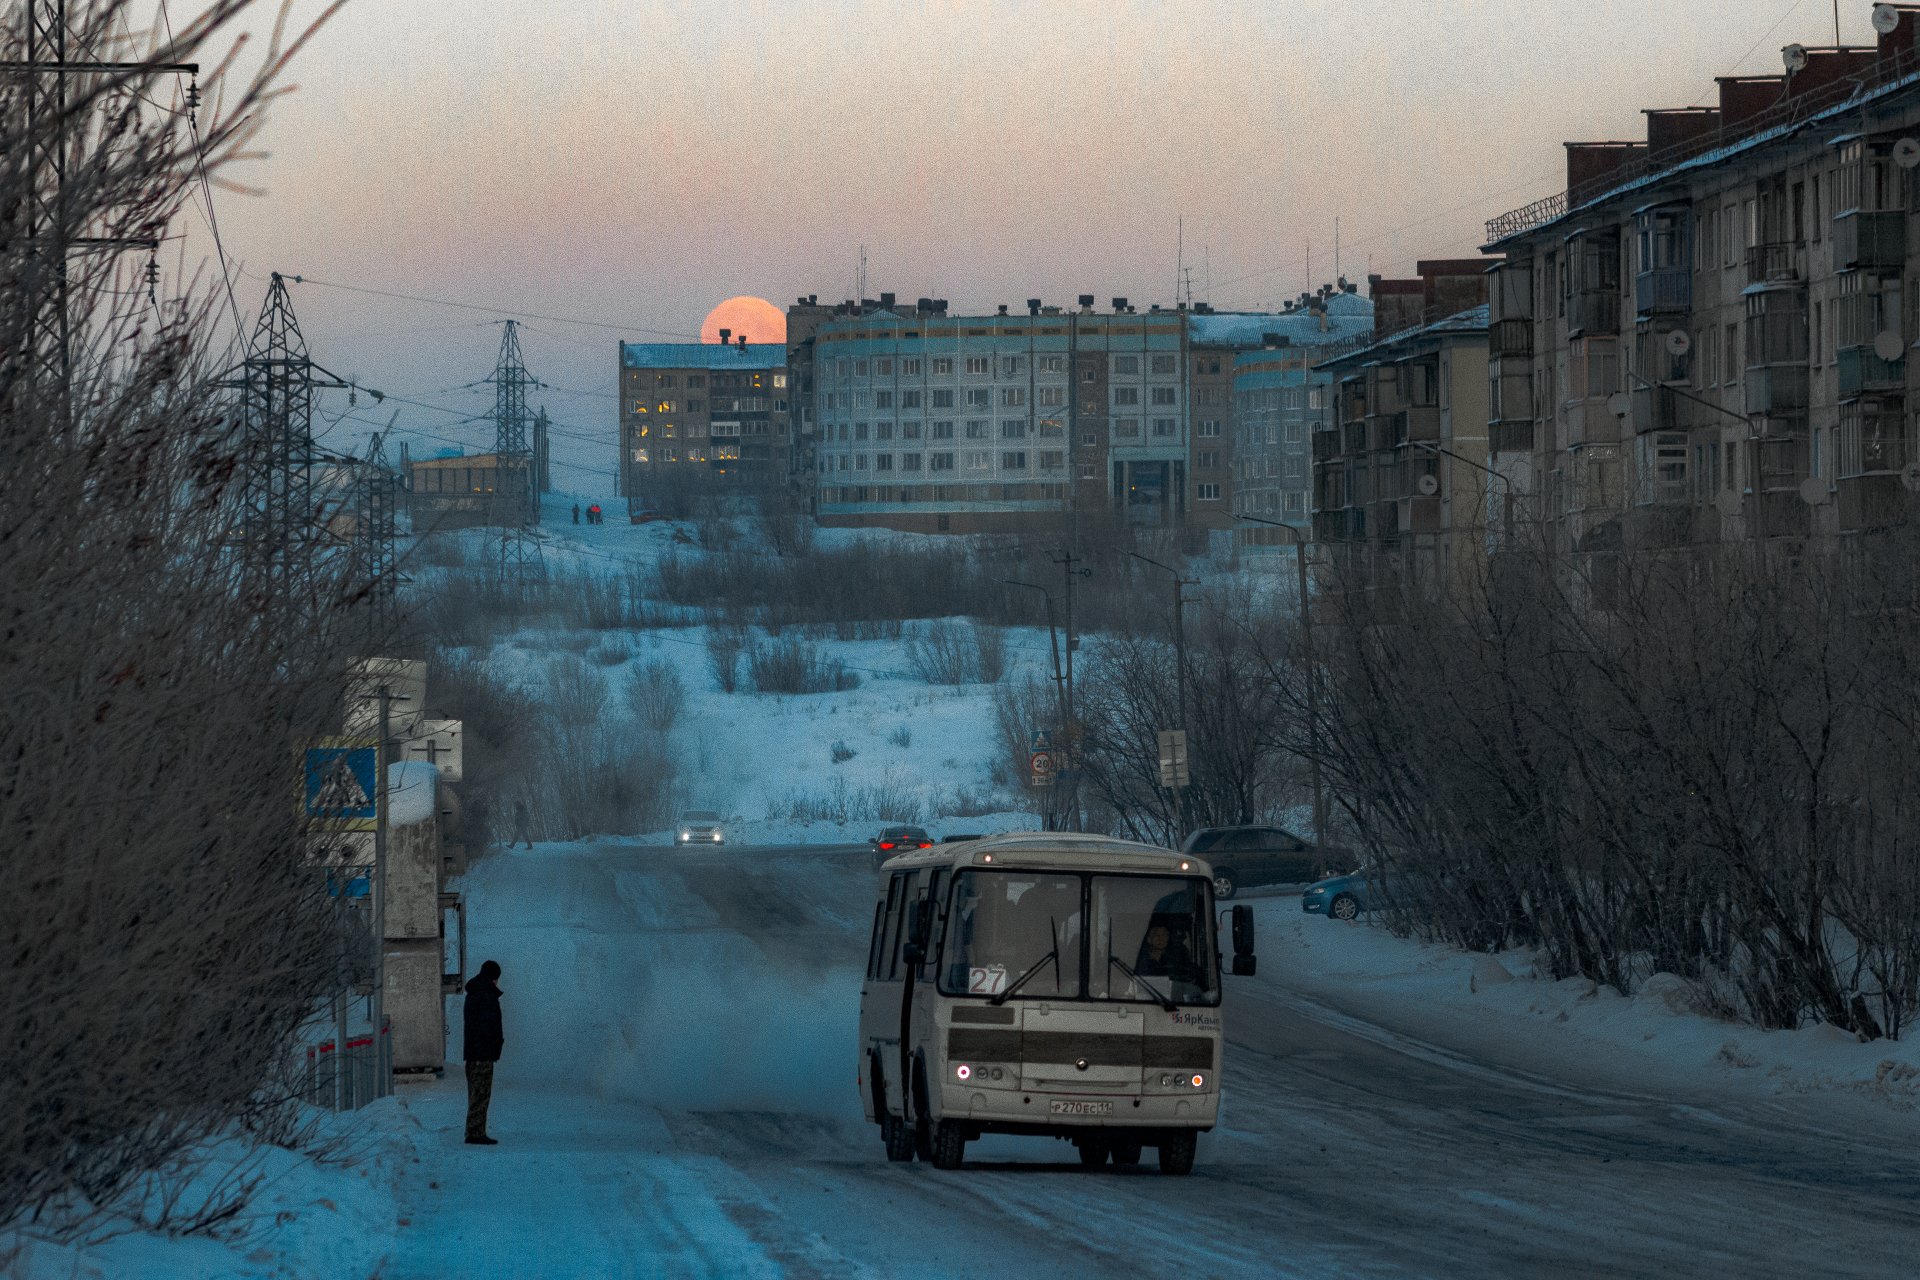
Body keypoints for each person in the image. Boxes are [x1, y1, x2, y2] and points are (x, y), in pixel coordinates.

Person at [462, 960, 504, 1145]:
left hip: (473, 1052)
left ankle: (474, 1129)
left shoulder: (474, 993)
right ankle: (476, 1132)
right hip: (482, 1053)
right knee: (481, 1093)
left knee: (475, 1093)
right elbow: (489, 1026)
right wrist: (494, 1045)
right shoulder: (486, 995)